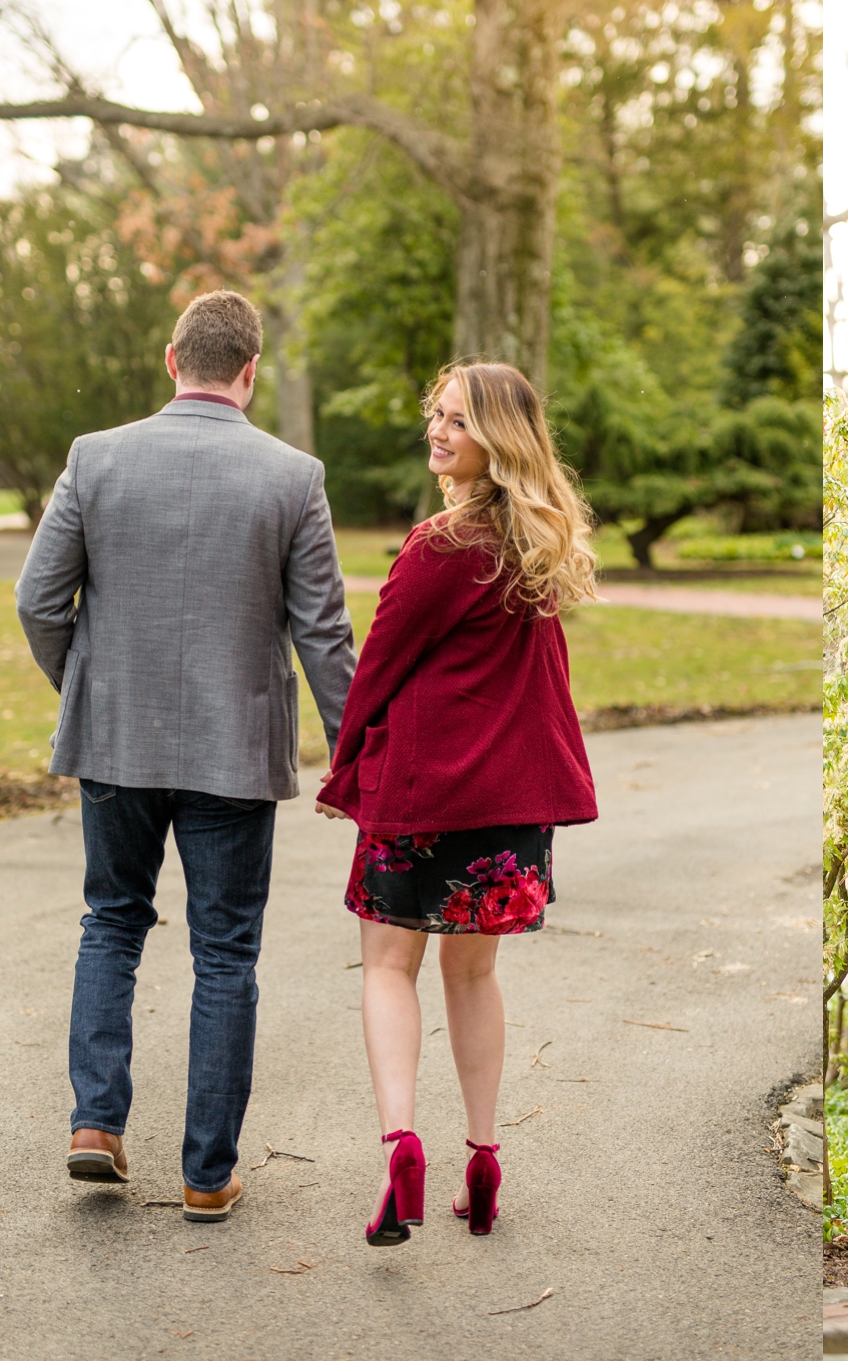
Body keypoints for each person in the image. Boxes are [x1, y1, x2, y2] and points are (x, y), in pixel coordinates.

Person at [15, 290, 357, 1222]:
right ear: (251, 371)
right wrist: (355, 758)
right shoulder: (293, 476)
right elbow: (324, 635)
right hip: (234, 751)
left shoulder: (96, 458)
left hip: (117, 740)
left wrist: (86, 691)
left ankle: (96, 1125)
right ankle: (207, 1174)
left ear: (173, 360)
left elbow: (39, 603)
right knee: (226, 954)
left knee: (112, 922)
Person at [315, 360, 599, 1247]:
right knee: (473, 975)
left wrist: (344, 768)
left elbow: (380, 666)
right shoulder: (538, 546)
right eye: (436, 416)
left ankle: (403, 1146)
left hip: (421, 798)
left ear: (497, 441)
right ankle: (483, 1162)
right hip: (507, 810)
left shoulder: (442, 545)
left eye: (459, 423)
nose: (438, 433)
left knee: (389, 969)